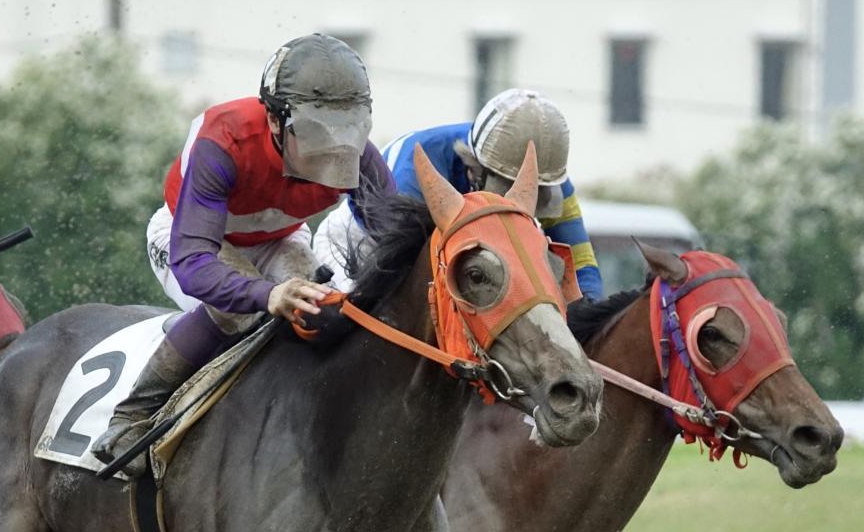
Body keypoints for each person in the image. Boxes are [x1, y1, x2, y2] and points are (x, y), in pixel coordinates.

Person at [90, 33, 393, 474]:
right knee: (238, 312)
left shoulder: (360, 156)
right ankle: (131, 417)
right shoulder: (224, 141)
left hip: (279, 238)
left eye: (343, 126)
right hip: (192, 238)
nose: (331, 146)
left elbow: (397, 237)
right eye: (314, 130)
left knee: (324, 314)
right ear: (273, 118)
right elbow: (195, 263)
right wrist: (266, 294)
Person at [314, 88, 602, 300]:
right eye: (505, 189)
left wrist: (589, 315)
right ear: (473, 169)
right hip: (369, 246)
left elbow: (580, 265)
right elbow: (413, 270)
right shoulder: (415, 167)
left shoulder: (550, 178)